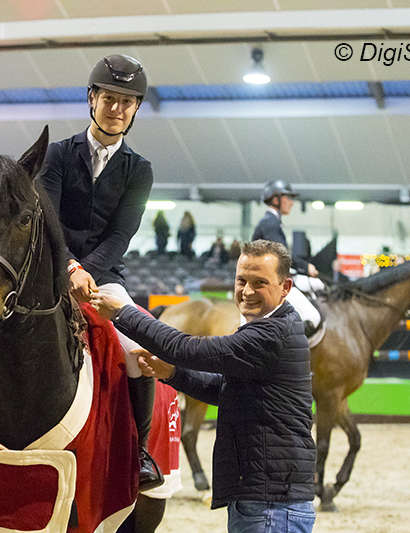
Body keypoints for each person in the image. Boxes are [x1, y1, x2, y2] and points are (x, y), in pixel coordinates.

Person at [91, 240, 317, 533]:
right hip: (260, 499)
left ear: (285, 288)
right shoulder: (268, 326)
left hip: (271, 506)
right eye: (241, 281)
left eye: (260, 283)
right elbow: (225, 391)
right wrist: (172, 374)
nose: (247, 292)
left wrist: (124, 313)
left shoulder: (271, 334)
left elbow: (189, 348)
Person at [37, 53, 163, 492]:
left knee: (134, 349)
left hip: (106, 274)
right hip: (51, 266)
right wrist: (68, 267)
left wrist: (86, 274)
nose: (117, 108)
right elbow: (49, 221)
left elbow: (121, 235)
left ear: (135, 109)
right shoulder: (56, 154)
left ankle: (140, 451)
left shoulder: (140, 170)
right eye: (109, 97)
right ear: (92, 98)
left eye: (127, 102)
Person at [253, 179, 323, 336]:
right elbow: (282, 256)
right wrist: (306, 267)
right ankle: (288, 350)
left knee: (319, 285)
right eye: (288, 198)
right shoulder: (270, 223)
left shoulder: (274, 222)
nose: (291, 203)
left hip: (278, 278)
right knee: (314, 317)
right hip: (271, 284)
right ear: (276, 199)